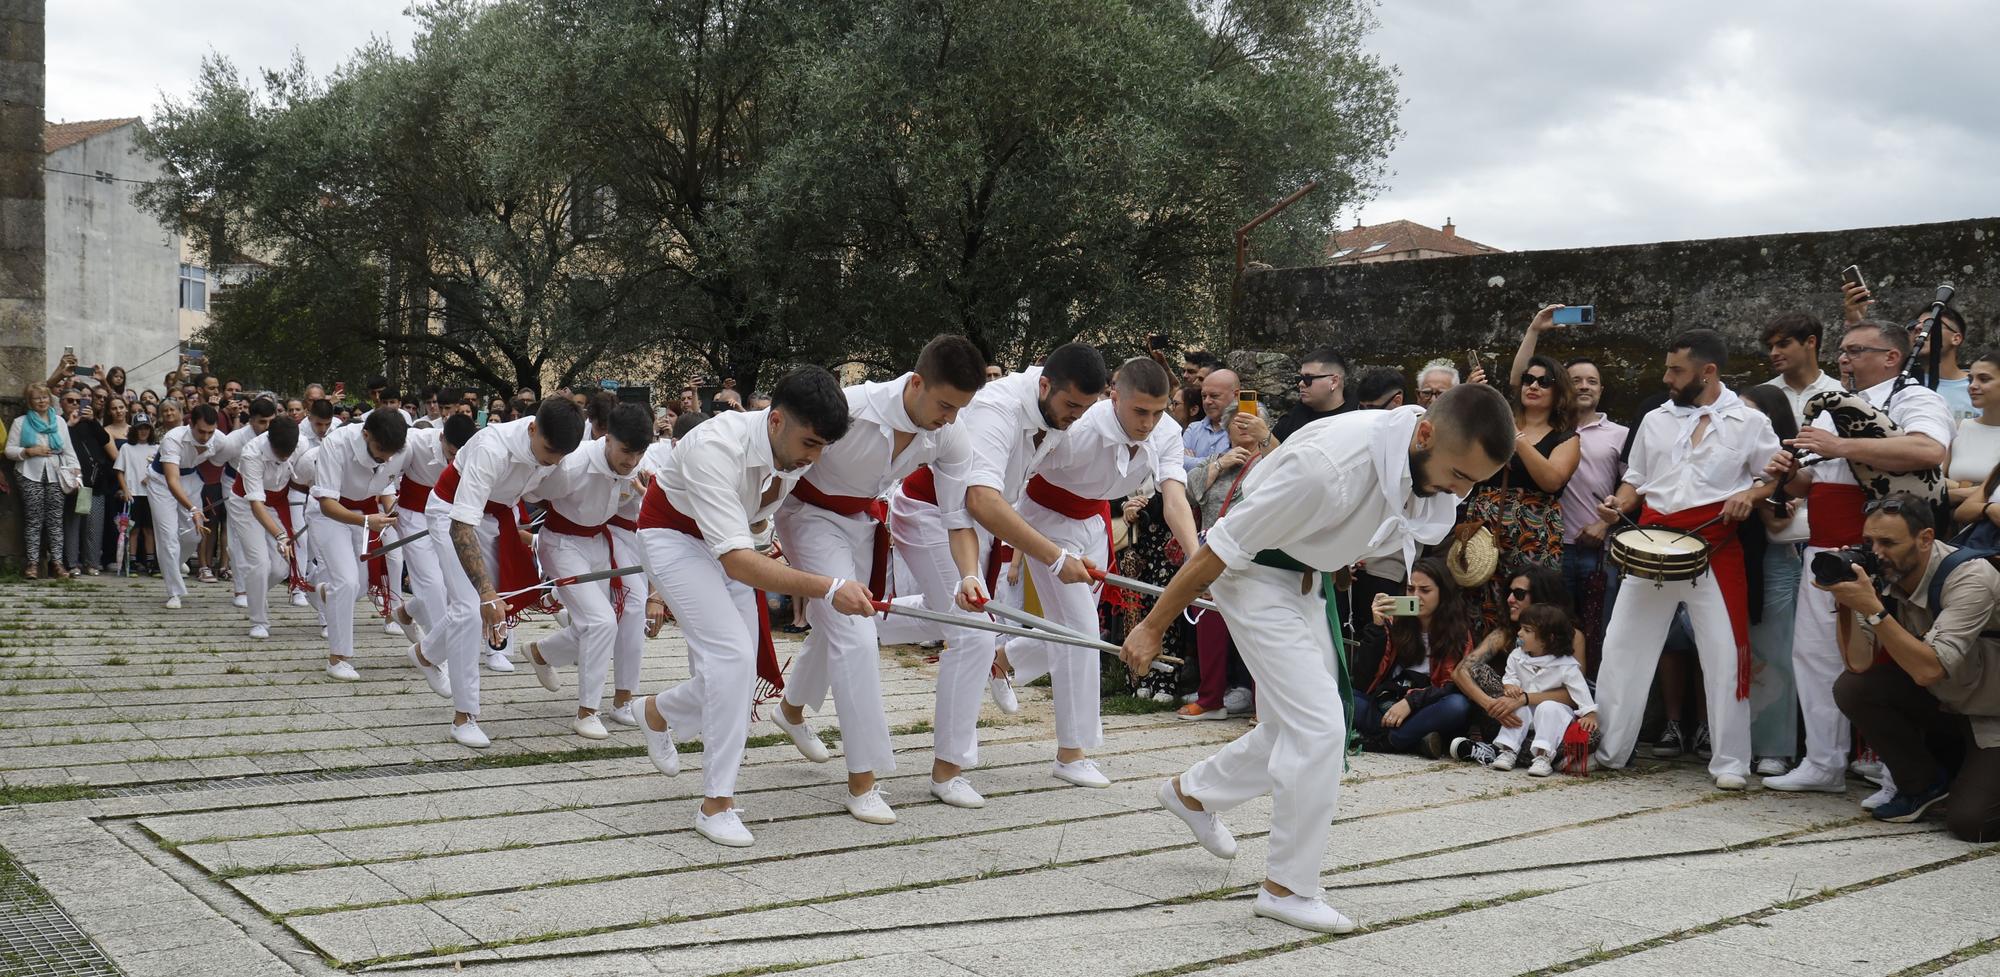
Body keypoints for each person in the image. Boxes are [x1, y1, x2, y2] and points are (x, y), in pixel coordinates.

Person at [1122, 384, 1514, 934]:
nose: (1459, 489)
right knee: (1322, 727)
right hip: (1254, 576)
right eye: (1459, 475)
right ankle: (1287, 888)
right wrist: (1151, 626)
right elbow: (1221, 547)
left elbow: (1392, 546)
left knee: (1295, 724)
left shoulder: (1419, 458)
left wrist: (1394, 606)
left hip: (1307, 582)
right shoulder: (1330, 466)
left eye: (1472, 480)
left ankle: (1192, 794)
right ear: (1426, 432)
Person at [634, 367, 873, 848]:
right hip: (671, 536)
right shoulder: (713, 446)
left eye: (823, 446)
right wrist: (828, 586)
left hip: (731, 542)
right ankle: (715, 805)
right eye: (810, 444)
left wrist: (763, 533)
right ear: (777, 421)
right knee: (733, 657)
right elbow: (740, 564)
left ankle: (657, 712)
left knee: (736, 675)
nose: (816, 457)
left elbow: (755, 527)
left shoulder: (798, 448)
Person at [769, 336, 987, 824]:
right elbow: (781, 458)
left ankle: (791, 710)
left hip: (864, 521)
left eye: (960, 408)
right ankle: (863, 781)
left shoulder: (951, 432)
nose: (950, 417)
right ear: (915, 383)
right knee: (854, 634)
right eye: (945, 404)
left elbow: (956, 519)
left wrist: (968, 576)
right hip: (808, 514)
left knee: (843, 623)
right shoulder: (853, 408)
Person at [890, 343, 1109, 809]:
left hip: (970, 525)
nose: (1075, 418)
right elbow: (981, 500)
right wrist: (1053, 557)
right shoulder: (997, 409)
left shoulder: (1056, 409)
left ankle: (848, 617)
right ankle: (949, 769)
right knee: (972, 634)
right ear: (1045, 386)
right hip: (932, 514)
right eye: (1071, 406)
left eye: (1085, 409)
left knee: (942, 618)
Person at [1765, 321, 1952, 794]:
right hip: (1825, 544)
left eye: (1855, 351)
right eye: (1843, 352)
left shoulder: (1915, 397)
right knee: (1814, 656)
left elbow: (1930, 450)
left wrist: (1840, 444)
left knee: (1886, 657)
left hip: (1885, 551)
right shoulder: (1830, 409)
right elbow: (1816, 481)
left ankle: (1898, 774)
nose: (1843, 360)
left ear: (1891, 356)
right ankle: (1823, 763)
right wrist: (1787, 473)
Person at [1592, 329, 1781, 790]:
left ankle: (1731, 763)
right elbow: (1635, 478)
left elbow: (1775, 476)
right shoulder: (1655, 418)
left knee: (1723, 652)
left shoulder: (1749, 422)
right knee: (1621, 646)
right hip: (1651, 539)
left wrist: (1750, 496)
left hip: (1715, 543)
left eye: (1676, 369)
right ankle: (1611, 750)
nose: (1667, 377)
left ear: (1707, 371)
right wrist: (1618, 504)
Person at [999, 357, 1199, 784]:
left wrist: (1197, 555)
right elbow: (1017, 474)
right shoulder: (1079, 425)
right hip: (1046, 519)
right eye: (1139, 411)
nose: (1148, 422)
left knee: (1072, 627)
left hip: (1094, 525)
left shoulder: (1167, 432)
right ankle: (1071, 754)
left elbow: (1175, 496)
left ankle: (1002, 658)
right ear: (1114, 397)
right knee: (1082, 633)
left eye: (1158, 411)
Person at [1824, 493, 2000, 837]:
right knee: (1854, 688)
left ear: (1926, 539)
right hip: (1950, 701)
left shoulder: (1970, 577)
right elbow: (1859, 663)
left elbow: (1928, 670)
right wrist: (1846, 601)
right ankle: (1922, 784)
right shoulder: (1886, 573)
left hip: (1992, 711)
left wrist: (1874, 610)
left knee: (1971, 824)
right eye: (1869, 541)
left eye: (1888, 542)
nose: (1875, 552)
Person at [427, 397, 584, 748]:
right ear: (531, 428)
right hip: (451, 511)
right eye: (548, 451)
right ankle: (464, 717)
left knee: (491, 602)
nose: (552, 461)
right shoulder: (491, 448)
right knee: (470, 607)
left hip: (496, 514)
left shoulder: (558, 450)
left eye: (560, 456)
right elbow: (460, 527)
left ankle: (426, 653)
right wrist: (485, 593)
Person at [524, 404, 652, 738]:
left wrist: (644, 494)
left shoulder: (637, 469)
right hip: (561, 545)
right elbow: (532, 492)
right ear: (607, 438)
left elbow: (627, 508)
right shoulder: (574, 463)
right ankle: (586, 712)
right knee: (600, 621)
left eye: (640, 453)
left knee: (632, 606)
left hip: (600, 541)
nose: (632, 461)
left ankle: (546, 654)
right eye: (626, 452)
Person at [1469, 339, 1580, 632]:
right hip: (1485, 532)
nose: (1533, 386)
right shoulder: (1497, 425)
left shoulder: (1565, 437)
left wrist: (1517, 438)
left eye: (1544, 382)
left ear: (1558, 391)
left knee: (1532, 607)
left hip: (1533, 535)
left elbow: (1552, 479)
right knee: (1479, 606)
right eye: (1528, 380)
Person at [1177, 401, 1271, 720]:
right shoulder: (1216, 459)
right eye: (1237, 422)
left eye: (1252, 421)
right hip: (1210, 548)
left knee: (1259, 631)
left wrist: (1265, 443)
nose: (1243, 427)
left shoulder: (1271, 460)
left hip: (1252, 552)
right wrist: (1220, 464)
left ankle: (1265, 706)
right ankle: (1210, 698)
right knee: (1208, 624)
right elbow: (1188, 494)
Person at [302, 410, 410, 680]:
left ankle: (325, 591)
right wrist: (366, 522)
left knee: (358, 585)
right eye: (380, 450)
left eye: (391, 453)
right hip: (329, 515)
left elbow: (386, 488)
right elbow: (327, 504)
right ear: (366, 435)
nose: (386, 457)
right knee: (348, 582)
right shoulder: (335, 444)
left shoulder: (401, 446)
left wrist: (391, 515)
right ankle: (337, 658)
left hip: (365, 516)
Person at [1742, 385, 1806, 777]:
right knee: (1742, 657)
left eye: (1751, 414)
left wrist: (1758, 491)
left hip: (1776, 563)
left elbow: (1778, 521)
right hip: (1736, 559)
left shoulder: (1793, 463)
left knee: (1776, 657)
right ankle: (1736, 740)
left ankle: (1776, 748)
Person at [1351, 556, 1476, 756]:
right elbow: (1362, 679)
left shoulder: (1458, 632)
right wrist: (1376, 628)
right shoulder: (1394, 622)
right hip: (1387, 704)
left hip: (1425, 708)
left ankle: (1388, 741)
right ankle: (1414, 741)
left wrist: (1410, 703)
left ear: (1442, 594)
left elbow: (1452, 685)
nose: (1416, 596)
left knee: (1457, 706)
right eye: (1411, 589)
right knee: (1342, 699)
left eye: (1425, 590)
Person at [391, 412, 475, 697]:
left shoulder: (473, 451)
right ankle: (445, 658)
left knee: (454, 586)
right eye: (451, 452)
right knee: (433, 585)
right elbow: (386, 477)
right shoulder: (413, 443)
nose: (454, 460)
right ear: (441, 437)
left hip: (449, 518)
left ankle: (406, 612)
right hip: (413, 518)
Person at [1485, 604, 1596, 776]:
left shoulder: (1565, 664)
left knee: (1548, 707)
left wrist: (1589, 713)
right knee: (1518, 706)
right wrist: (1510, 685)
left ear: (1548, 638)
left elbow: (1580, 690)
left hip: (1554, 713)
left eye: (1527, 630)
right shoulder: (1517, 656)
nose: (1519, 633)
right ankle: (1508, 750)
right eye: (1521, 628)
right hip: (1528, 710)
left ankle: (1544, 756)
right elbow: (1510, 675)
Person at [229, 417, 302, 641]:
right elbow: (256, 505)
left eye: (289, 452)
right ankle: (259, 621)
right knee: (259, 563)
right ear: (270, 441)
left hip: (276, 503)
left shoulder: (302, 445)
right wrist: (280, 535)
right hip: (245, 505)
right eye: (281, 453)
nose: (285, 457)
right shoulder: (252, 453)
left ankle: (256, 592)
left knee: (280, 568)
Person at [149, 402, 223, 607]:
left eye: (211, 432)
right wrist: (193, 509)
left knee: (195, 534)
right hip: (161, 483)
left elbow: (236, 457)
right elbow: (172, 481)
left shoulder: (220, 439)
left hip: (191, 481)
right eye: (201, 431)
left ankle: (175, 562)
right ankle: (174, 592)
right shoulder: (172, 439)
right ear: (190, 424)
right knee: (168, 536)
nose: (206, 436)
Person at [7, 382, 81, 579]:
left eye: (44, 397)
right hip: (29, 472)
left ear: (50, 399)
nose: (42, 401)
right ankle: (32, 564)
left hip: (57, 473)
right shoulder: (20, 422)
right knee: (34, 519)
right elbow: (9, 450)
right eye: (37, 398)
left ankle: (56, 563)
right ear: (30, 402)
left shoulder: (59, 421)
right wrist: (28, 451)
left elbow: (68, 450)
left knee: (55, 519)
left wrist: (76, 473)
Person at [1761, 312, 1844, 425]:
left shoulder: (1843, 393)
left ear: (1810, 342)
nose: (1773, 353)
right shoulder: (1759, 396)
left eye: (1783, 344)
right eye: (1770, 347)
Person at [1947, 352, 2000, 522]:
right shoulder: (1958, 427)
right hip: (1957, 533)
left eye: (1984, 379)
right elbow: (1934, 483)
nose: (1972, 386)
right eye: (1970, 379)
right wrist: (1972, 490)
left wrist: (1958, 490)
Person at [1271, 346, 1352, 442]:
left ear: (1334, 381)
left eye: (1308, 379)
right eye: (1300, 378)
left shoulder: (1357, 420)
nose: (1301, 384)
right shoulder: (1289, 422)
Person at [1911, 308, 1977, 422]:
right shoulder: (1903, 382)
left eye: (1930, 324)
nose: (1918, 328)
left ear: (1956, 338)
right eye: (1913, 325)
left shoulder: (1978, 387)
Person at [114, 416, 157, 575]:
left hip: (151, 495)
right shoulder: (126, 448)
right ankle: (131, 561)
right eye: (140, 428)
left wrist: (151, 477)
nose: (143, 431)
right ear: (134, 430)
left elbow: (161, 471)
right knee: (133, 530)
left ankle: (151, 562)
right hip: (133, 494)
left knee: (149, 529)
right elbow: (119, 471)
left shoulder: (156, 448)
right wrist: (125, 489)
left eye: (146, 428)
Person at [1182, 369, 1242, 471]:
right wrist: (1220, 462)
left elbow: (1236, 466)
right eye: (1204, 396)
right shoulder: (1193, 429)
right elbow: (1177, 462)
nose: (1207, 401)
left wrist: (1192, 461)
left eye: (1214, 396)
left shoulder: (1244, 430)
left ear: (1236, 395)